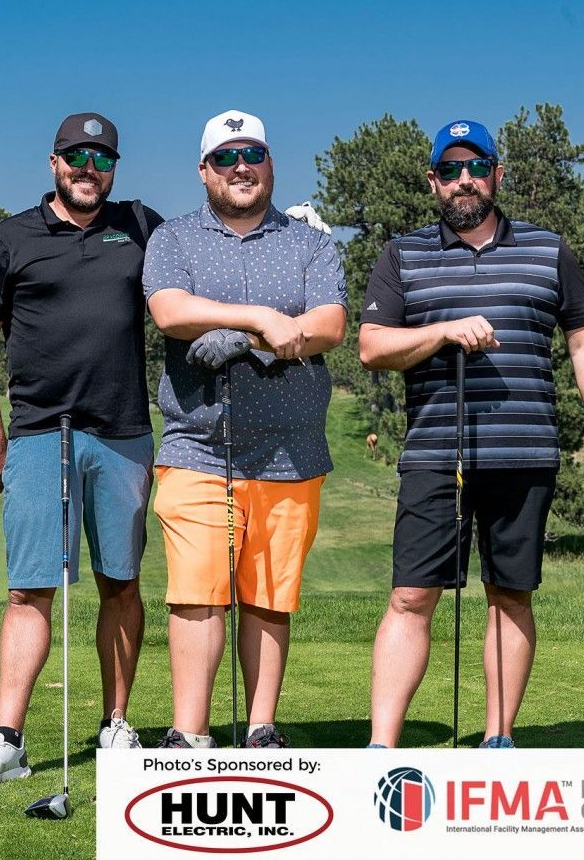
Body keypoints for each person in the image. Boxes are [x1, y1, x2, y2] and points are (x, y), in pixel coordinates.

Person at [358, 118, 584, 749]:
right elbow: (372, 347)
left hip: (524, 452)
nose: (464, 181)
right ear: (433, 182)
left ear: (497, 174)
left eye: (476, 167)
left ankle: (497, 740)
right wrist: (442, 333)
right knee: (410, 596)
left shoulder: (547, 249)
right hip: (434, 454)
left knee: (510, 595)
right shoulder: (403, 254)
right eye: (449, 170)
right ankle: (381, 749)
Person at [0, 112, 162, 787]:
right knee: (27, 588)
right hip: (41, 433)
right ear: (53, 163)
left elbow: (189, 286)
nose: (87, 170)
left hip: (122, 432)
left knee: (120, 583)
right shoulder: (12, 237)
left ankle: (116, 724)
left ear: (114, 168)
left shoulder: (141, 226)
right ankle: (8, 740)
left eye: (100, 159)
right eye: (76, 157)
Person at [143, 110, 347, 749]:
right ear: (204, 170)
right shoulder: (173, 239)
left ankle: (261, 728)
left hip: (292, 451)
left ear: (270, 164)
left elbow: (328, 326)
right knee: (198, 590)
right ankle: (189, 732)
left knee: (268, 595)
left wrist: (245, 338)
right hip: (199, 443)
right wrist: (260, 316)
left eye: (252, 154)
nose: (241, 167)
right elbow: (170, 312)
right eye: (226, 157)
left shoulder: (310, 242)